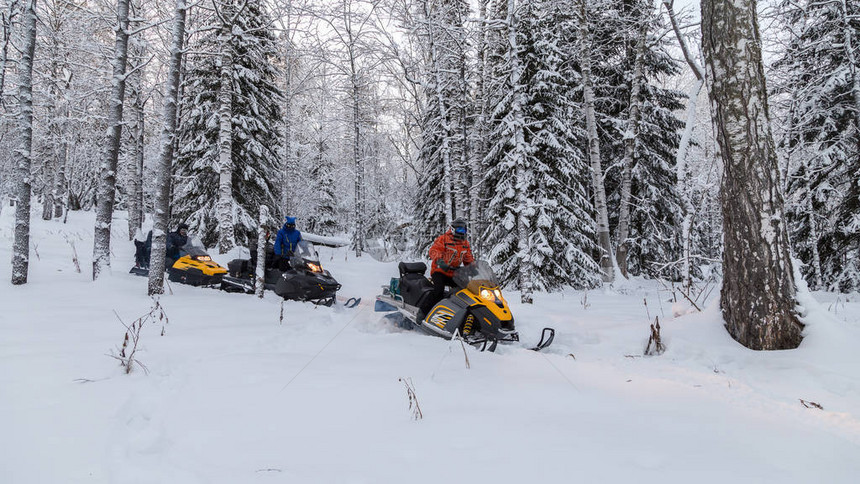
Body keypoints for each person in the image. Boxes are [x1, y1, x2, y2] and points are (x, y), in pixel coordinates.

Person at [419, 217, 474, 319]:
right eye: (460, 230)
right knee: (439, 290)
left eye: (464, 230)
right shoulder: (444, 239)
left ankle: (461, 315)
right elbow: (434, 251)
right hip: (440, 271)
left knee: (465, 290)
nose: (462, 232)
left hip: (454, 273)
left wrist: (474, 268)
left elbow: (468, 258)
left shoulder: (465, 244)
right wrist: (440, 261)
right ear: (453, 229)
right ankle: (423, 312)